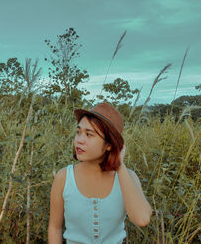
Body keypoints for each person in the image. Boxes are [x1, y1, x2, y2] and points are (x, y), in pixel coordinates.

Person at [48, 102, 152, 244]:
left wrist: (119, 166)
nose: (79, 140)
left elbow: (142, 219)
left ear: (109, 145)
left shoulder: (127, 177)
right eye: (78, 132)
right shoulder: (64, 177)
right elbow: (54, 227)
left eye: (89, 134)